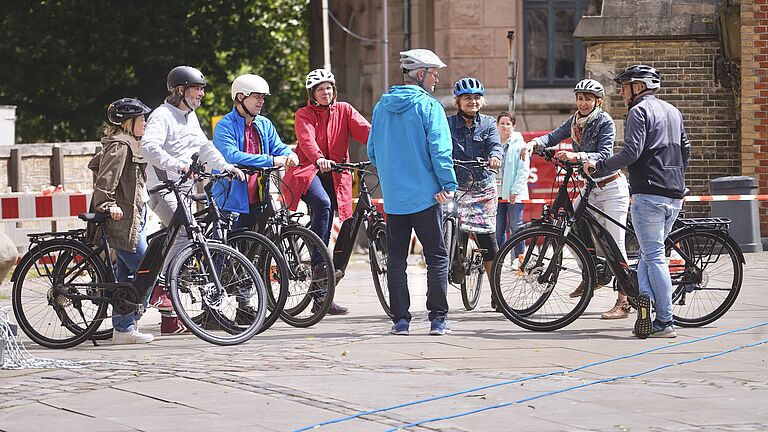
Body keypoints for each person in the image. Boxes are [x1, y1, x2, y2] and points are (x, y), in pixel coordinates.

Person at [584, 65, 690, 338]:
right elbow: (686, 148)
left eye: (624, 86)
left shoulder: (639, 111)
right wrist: (676, 176)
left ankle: (665, 322)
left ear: (638, 87)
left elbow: (632, 151)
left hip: (650, 192)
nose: (621, 92)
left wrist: (600, 164)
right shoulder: (673, 111)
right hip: (674, 193)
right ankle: (645, 305)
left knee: (654, 257)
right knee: (646, 254)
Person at [142, 65, 244, 335]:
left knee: (177, 239)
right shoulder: (162, 115)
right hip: (163, 188)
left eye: (202, 89)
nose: (201, 94)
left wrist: (225, 166)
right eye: (197, 89)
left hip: (182, 189)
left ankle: (170, 320)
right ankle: (160, 288)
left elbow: (205, 147)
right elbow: (148, 147)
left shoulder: (190, 117)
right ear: (180, 91)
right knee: (186, 237)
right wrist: (177, 165)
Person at [524, 78, 632, 320]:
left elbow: (604, 153)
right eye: (580, 98)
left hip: (611, 188)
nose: (583, 103)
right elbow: (553, 136)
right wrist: (534, 143)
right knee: (569, 231)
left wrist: (576, 155)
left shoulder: (604, 121)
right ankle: (591, 275)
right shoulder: (574, 121)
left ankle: (624, 301)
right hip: (590, 188)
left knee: (615, 243)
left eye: (588, 99)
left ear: (598, 102)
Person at [367, 49, 458, 336]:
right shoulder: (429, 107)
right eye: (433, 73)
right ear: (420, 74)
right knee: (437, 257)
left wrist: (393, 176)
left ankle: (401, 321)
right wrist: (449, 184)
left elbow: (372, 151)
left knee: (396, 259)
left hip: (394, 199)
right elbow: (440, 152)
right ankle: (438, 320)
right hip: (426, 196)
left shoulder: (381, 107)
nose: (436, 78)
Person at [281, 69, 371, 315]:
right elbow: (307, 140)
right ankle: (319, 258)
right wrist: (319, 158)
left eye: (328, 87)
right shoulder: (303, 114)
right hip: (308, 170)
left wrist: (383, 146)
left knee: (343, 218)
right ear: (312, 93)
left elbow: (366, 131)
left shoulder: (344, 110)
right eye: (320, 89)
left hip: (337, 173)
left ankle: (322, 298)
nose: (325, 92)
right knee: (322, 204)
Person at [87, 98, 154, 344]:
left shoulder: (132, 143)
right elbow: (105, 181)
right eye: (142, 119)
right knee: (147, 271)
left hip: (136, 215)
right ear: (129, 122)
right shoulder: (120, 145)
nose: (145, 123)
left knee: (126, 276)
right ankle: (128, 323)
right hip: (123, 218)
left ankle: (124, 330)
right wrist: (107, 204)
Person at [446, 77, 503, 309]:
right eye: (467, 98)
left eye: (476, 97)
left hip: (482, 188)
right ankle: (451, 264)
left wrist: (495, 157)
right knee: (444, 230)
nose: (472, 101)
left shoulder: (489, 123)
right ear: (457, 101)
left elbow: (495, 144)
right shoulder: (447, 124)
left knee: (488, 241)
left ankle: (497, 295)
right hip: (457, 187)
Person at [496, 112, 529, 268]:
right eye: (502, 123)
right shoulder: (493, 144)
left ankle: (519, 259)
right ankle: (499, 259)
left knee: (516, 226)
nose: (505, 126)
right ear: (497, 125)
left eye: (508, 124)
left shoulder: (520, 145)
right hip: (496, 193)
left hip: (514, 193)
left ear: (513, 126)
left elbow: (523, 170)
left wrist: (515, 190)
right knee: (498, 227)